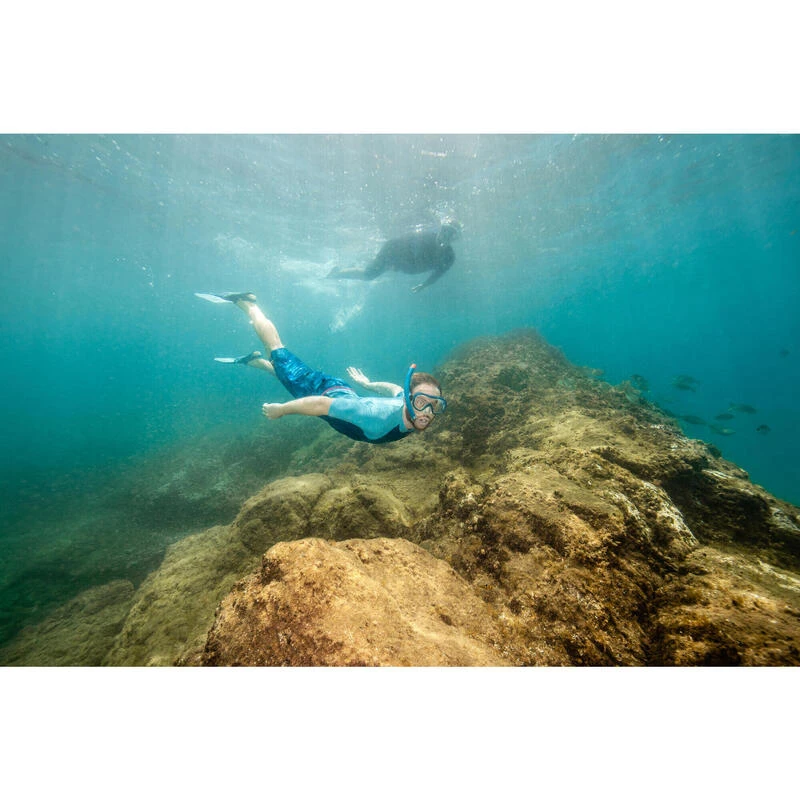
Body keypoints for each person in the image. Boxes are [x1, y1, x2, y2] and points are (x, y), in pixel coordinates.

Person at [196, 291, 447, 444]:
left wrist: (369, 384)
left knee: (288, 376)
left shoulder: (403, 401)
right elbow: (320, 405)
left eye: (434, 405)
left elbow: (394, 389)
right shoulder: (373, 418)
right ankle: (248, 304)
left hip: (342, 392)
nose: (427, 411)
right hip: (322, 392)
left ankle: (253, 361)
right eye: (421, 402)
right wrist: (281, 411)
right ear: (409, 399)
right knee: (277, 350)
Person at [327, 219, 462, 292]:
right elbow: (397, 243)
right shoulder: (424, 237)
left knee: (371, 272)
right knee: (369, 275)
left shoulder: (449, 257)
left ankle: (354, 266)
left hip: (400, 264)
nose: (445, 236)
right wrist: (392, 261)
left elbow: (438, 274)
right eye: (445, 230)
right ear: (440, 229)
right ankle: (336, 273)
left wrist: (424, 285)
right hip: (392, 254)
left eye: (451, 234)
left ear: (455, 239)